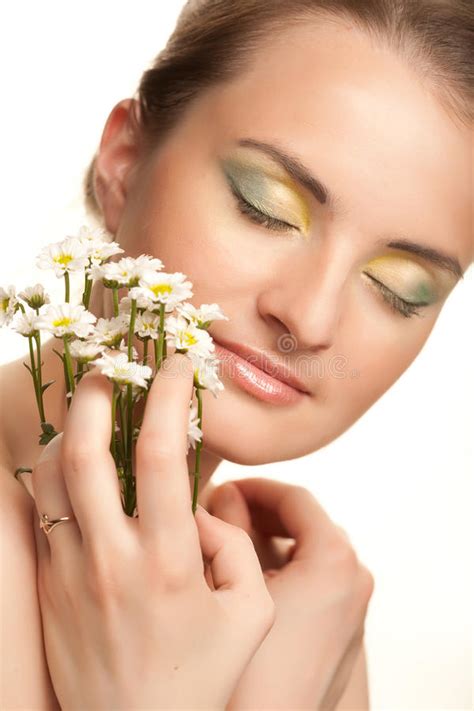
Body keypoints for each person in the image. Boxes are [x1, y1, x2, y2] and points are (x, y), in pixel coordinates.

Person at [1, 0, 472, 708]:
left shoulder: (303, 617)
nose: (310, 319)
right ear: (125, 161)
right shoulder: (297, 650)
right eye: (265, 206)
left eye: (401, 288)